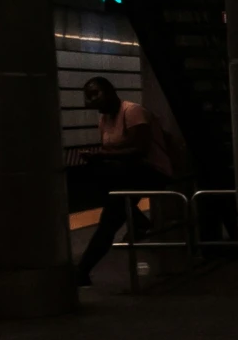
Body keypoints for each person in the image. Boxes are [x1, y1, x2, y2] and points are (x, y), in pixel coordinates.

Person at [75, 77, 177, 284]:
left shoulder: (132, 112)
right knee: (110, 214)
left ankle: (82, 271)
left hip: (151, 172)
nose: (92, 100)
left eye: (96, 94)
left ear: (111, 91)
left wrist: (103, 156)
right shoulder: (104, 120)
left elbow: (138, 150)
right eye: (88, 96)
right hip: (127, 175)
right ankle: (138, 221)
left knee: (110, 218)